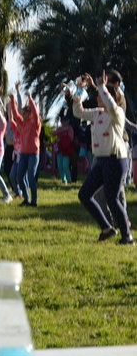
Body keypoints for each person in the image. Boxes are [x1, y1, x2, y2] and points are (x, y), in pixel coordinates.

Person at [72, 72, 133, 245]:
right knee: (84, 194)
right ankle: (107, 228)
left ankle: (127, 236)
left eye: (101, 95)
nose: (98, 98)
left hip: (116, 159)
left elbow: (112, 106)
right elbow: (78, 112)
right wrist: (79, 91)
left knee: (112, 198)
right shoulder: (97, 113)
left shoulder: (117, 113)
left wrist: (100, 87)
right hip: (102, 160)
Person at [9, 84, 42, 207]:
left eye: (25, 112)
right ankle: (26, 199)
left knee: (31, 177)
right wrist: (12, 101)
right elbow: (15, 114)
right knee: (19, 177)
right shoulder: (22, 124)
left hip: (34, 154)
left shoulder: (35, 124)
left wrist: (31, 99)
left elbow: (35, 112)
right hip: (23, 154)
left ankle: (34, 201)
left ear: (30, 114)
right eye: (23, 112)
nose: (22, 114)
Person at [53, 116, 74, 184]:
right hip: (60, 150)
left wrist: (62, 133)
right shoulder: (60, 128)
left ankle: (69, 180)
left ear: (68, 121)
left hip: (66, 150)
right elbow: (54, 133)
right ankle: (63, 180)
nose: (63, 123)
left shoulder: (70, 128)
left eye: (64, 121)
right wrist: (64, 129)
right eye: (62, 121)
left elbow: (71, 138)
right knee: (60, 166)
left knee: (65, 166)